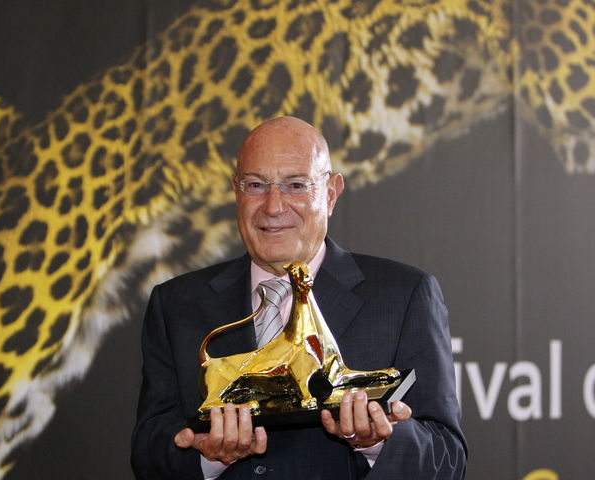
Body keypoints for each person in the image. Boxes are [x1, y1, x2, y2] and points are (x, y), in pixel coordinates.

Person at [131, 116, 467, 479]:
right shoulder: (175, 304)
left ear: (331, 194)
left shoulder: (404, 296)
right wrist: (208, 457)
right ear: (236, 192)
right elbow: (149, 454)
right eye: (256, 185)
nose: (273, 206)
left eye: (296, 185)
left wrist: (378, 442)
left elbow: (447, 460)